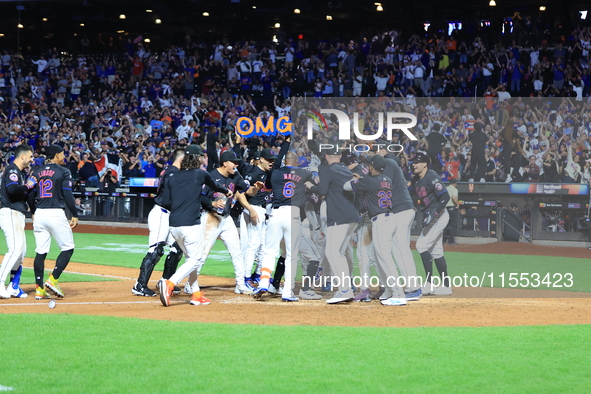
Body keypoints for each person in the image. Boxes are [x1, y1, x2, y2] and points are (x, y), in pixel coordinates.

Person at [158, 145, 231, 307]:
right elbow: (215, 186)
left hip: (174, 225)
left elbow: (165, 202)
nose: (203, 159)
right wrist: (226, 191)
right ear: (197, 158)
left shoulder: (172, 177)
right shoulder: (200, 174)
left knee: (190, 258)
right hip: (190, 224)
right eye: (202, 157)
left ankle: (196, 294)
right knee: (196, 259)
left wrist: (180, 206)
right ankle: (169, 284)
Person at [185, 150, 264, 296]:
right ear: (225, 163)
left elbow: (247, 192)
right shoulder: (211, 176)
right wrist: (212, 203)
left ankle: (240, 285)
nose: (236, 165)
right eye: (234, 162)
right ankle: (191, 285)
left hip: (226, 219)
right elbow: (198, 197)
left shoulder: (235, 176)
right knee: (202, 254)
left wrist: (256, 188)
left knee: (237, 252)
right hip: (210, 217)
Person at [252, 138, 314, 302]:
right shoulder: (304, 172)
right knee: (292, 256)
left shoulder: (275, 172)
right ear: (297, 161)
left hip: (276, 213)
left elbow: (268, 185)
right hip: (293, 215)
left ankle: (264, 282)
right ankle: (287, 291)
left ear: (284, 161)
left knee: (270, 251)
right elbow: (314, 182)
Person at [344, 155, 407, 306]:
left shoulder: (369, 180)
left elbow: (346, 186)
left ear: (372, 167)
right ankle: (391, 291)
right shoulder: (387, 179)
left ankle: (398, 293)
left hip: (381, 220)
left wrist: (358, 179)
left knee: (384, 258)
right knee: (381, 257)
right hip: (389, 218)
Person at [27, 145, 79, 300]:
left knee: (40, 251)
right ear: (56, 155)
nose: (64, 156)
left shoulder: (36, 172)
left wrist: (33, 211)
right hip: (55, 212)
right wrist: (74, 214)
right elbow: (68, 194)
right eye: (62, 154)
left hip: (40, 213)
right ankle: (53, 279)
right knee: (68, 248)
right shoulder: (64, 172)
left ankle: (39, 289)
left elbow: (29, 194)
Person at [132, 148, 185, 297]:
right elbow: (168, 198)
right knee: (156, 250)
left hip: (168, 214)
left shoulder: (170, 171)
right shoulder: (172, 172)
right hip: (162, 213)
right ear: (181, 160)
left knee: (177, 247)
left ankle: (165, 281)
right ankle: (140, 285)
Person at [319, 147, 360, 304]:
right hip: (352, 215)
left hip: (338, 215)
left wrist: (311, 186)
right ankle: (346, 288)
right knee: (339, 253)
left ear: (326, 155)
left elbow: (322, 190)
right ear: (341, 155)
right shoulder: (345, 169)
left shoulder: (328, 169)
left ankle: (344, 289)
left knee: (331, 252)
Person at [410, 152, 451, 296]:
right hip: (431, 217)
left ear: (425, 164)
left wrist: (433, 213)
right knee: (436, 252)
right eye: (413, 162)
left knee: (421, 245)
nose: (413, 164)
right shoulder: (416, 180)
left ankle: (429, 283)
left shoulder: (432, 177)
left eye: (417, 162)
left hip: (439, 216)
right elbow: (409, 193)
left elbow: (445, 196)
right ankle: (446, 286)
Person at [0, 144, 34, 299]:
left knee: (21, 253)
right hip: (10, 212)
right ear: (22, 156)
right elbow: (13, 189)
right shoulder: (13, 170)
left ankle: (13, 286)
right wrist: (28, 185)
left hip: (17, 213)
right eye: (30, 156)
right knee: (15, 249)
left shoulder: (19, 172)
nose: (32, 159)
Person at [444, 178, 460, 245]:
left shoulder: (445, 188)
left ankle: (443, 240)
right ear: (455, 183)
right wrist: (457, 204)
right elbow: (454, 197)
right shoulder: (454, 189)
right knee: (454, 225)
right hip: (452, 208)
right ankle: (451, 241)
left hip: (445, 208)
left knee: (445, 224)